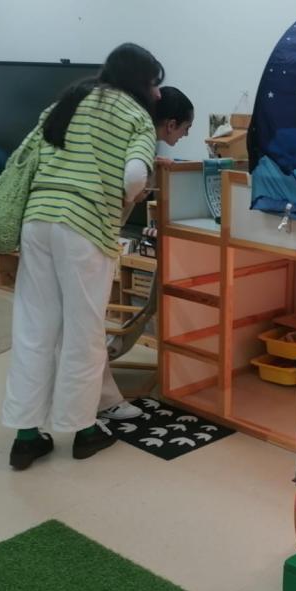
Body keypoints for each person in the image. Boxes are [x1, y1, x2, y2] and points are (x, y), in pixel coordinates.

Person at [2, 43, 164, 470]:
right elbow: (134, 175)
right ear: (138, 82)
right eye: (154, 83)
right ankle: (83, 430)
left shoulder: (65, 102)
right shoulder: (135, 116)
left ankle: (25, 437)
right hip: (85, 228)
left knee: (33, 328)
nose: (157, 94)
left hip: (38, 220)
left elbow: (26, 158)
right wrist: (131, 196)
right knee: (84, 332)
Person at [98, 87, 194, 421]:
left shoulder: (115, 131)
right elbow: (133, 180)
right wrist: (139, 190)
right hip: (91, 232)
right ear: (170, 124)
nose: (185, 135)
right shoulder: (139, 134)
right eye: (185, 128)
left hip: (70, 230)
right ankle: (100, 398)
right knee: (85, 322)